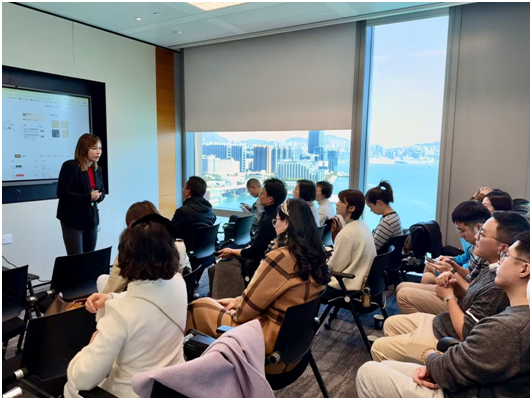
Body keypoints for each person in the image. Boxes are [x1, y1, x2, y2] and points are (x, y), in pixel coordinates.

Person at [356, 231, 530, 398]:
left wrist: (431, 356)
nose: (501, 261)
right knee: (389, 344)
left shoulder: (508, 326)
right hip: (457, 362)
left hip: (458, 387)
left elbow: (454, 358)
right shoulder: (513, 312)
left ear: (524, 269)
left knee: (368, 371)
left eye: (507, 256)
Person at [186, 198, 330, 373]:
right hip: (295, 347)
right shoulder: (315, 255)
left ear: (286, 223)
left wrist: (238, 305)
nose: (275, 223)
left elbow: (243, 314)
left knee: (199, 306)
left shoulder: (281, 257)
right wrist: (238, 300)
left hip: (268, 348)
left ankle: (190, 376)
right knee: (216, 305)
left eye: (277, 219)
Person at [370, 211, 529, 364]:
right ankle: (408, 355)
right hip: (445, 324)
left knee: (379, 347)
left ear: (503, 248)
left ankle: (416, 366)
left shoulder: (499, 285)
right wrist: (455, 285)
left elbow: (466, 332)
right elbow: (471, 296)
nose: (476, 237)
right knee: (390, 324)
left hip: (450, 337)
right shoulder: (492, 268)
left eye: (482, 234)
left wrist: (448, 297)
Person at [64, 214, 188, 398]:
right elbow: (147, 298)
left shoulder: (120, 314)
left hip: (132, 392)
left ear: (126, 257)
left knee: (72, 387)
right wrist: (111, 297)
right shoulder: (178, 283)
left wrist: (89, 347)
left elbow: (83, 379)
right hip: (170, 385)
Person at [397, 201, 491, 315]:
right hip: (463, 293)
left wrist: (451, 272)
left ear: (479, 228)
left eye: (462, 231)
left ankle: (433, 325)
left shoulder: (487, 252)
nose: (461, 236)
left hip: (466, 303)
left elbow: (470, 289)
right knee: (402, 287)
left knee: (403, 294)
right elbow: (471, 275)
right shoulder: (478, 247)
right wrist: (453, 265)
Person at [92, 201, 191, 297]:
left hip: (138, 299)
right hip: (172, 296)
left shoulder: (129, 252)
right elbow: (186, 272)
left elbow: (112, 289)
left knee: (101, 280)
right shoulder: (178, 245)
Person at [218, 178, 287, 266]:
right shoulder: (278, 214)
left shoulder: (268, 221)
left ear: (270, 199)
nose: (260, 196)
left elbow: (254, 252)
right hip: (267, 256)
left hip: (259, 262)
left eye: (262, 193)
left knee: (220, 265)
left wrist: (232, 251)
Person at [56, 133, 105, 255]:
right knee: (76, 260)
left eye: (100, 148)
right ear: (83, 149)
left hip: (91, 219)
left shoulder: (97, 169)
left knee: (89, 258)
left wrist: (98, 196)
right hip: (73, 220)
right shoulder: (70, 166)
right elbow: (63, 193)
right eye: (94, 148)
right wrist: (88, 197)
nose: (98, 152)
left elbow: (102, 191)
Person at [323, 189, 376, 299]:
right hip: (363, 282)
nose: (337, 204)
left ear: (351, 208)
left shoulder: (346, 234)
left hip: (347, 285)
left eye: (341, 202)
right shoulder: (363, 225)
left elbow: (334, 267)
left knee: (311, 282)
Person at [171, 176, 216, 249]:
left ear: (188, 192)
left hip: (186, 254)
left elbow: (171, 234)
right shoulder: (210, 211)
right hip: (206, 252)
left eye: (184, 187)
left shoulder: (182, 211)